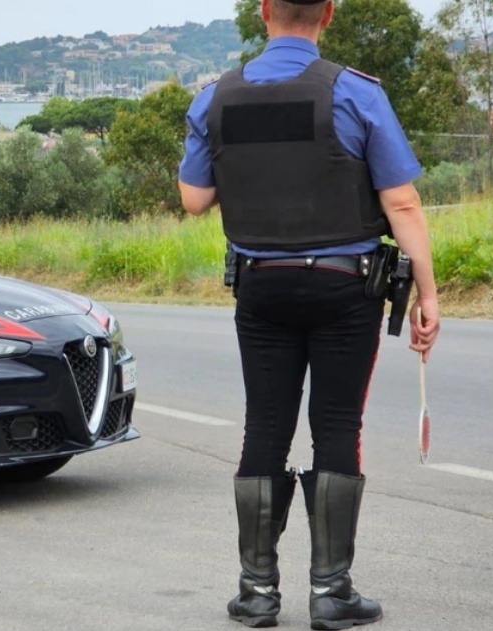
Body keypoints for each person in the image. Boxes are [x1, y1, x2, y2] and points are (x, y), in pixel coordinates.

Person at [177, 0, 441, 628]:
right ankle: (331, 594)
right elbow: (401, 200)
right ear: (327, 15)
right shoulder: (355, 92)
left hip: (261, 288)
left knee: (263, 426)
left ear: (264, 12)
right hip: (344, 290)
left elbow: (194, 200)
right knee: (337, 426)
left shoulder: (214, 99)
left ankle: (256, 594)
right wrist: (429, 295)